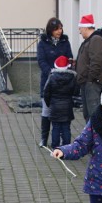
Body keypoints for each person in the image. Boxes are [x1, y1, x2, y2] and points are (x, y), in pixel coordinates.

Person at [36, 17, 73, 148]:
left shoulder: (65, 42)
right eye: (56, 29)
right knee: (46, 111)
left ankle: (63, 140)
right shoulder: (43, 43)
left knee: (63, 112)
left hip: (63, 82)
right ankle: (44, 138)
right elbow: (41, 61)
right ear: (50, 30)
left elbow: (69, 58)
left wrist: (66, 69)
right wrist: (51, 73)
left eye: (61, 28)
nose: (59, 31)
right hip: (48, 81)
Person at [75, 14, 102, 121]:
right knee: (88, 114)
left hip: (92, 84)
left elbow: (96, 62)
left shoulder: (96, 39)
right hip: (88, 83)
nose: (80, 32)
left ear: (85, 27)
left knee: (93, 114)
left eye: (80, 29)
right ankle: (90, 135)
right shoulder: (90, 40)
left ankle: (96, 136)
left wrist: (90, 79)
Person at [43, 56, 78, 148]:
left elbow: (46, 92)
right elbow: (76, 92)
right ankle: (66, 147)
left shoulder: (51, 77)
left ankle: (55, 146)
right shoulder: (72, 77)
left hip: (55, 106)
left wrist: (48, 103)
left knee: (56, 127)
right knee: (66, 128)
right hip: (67, 106)